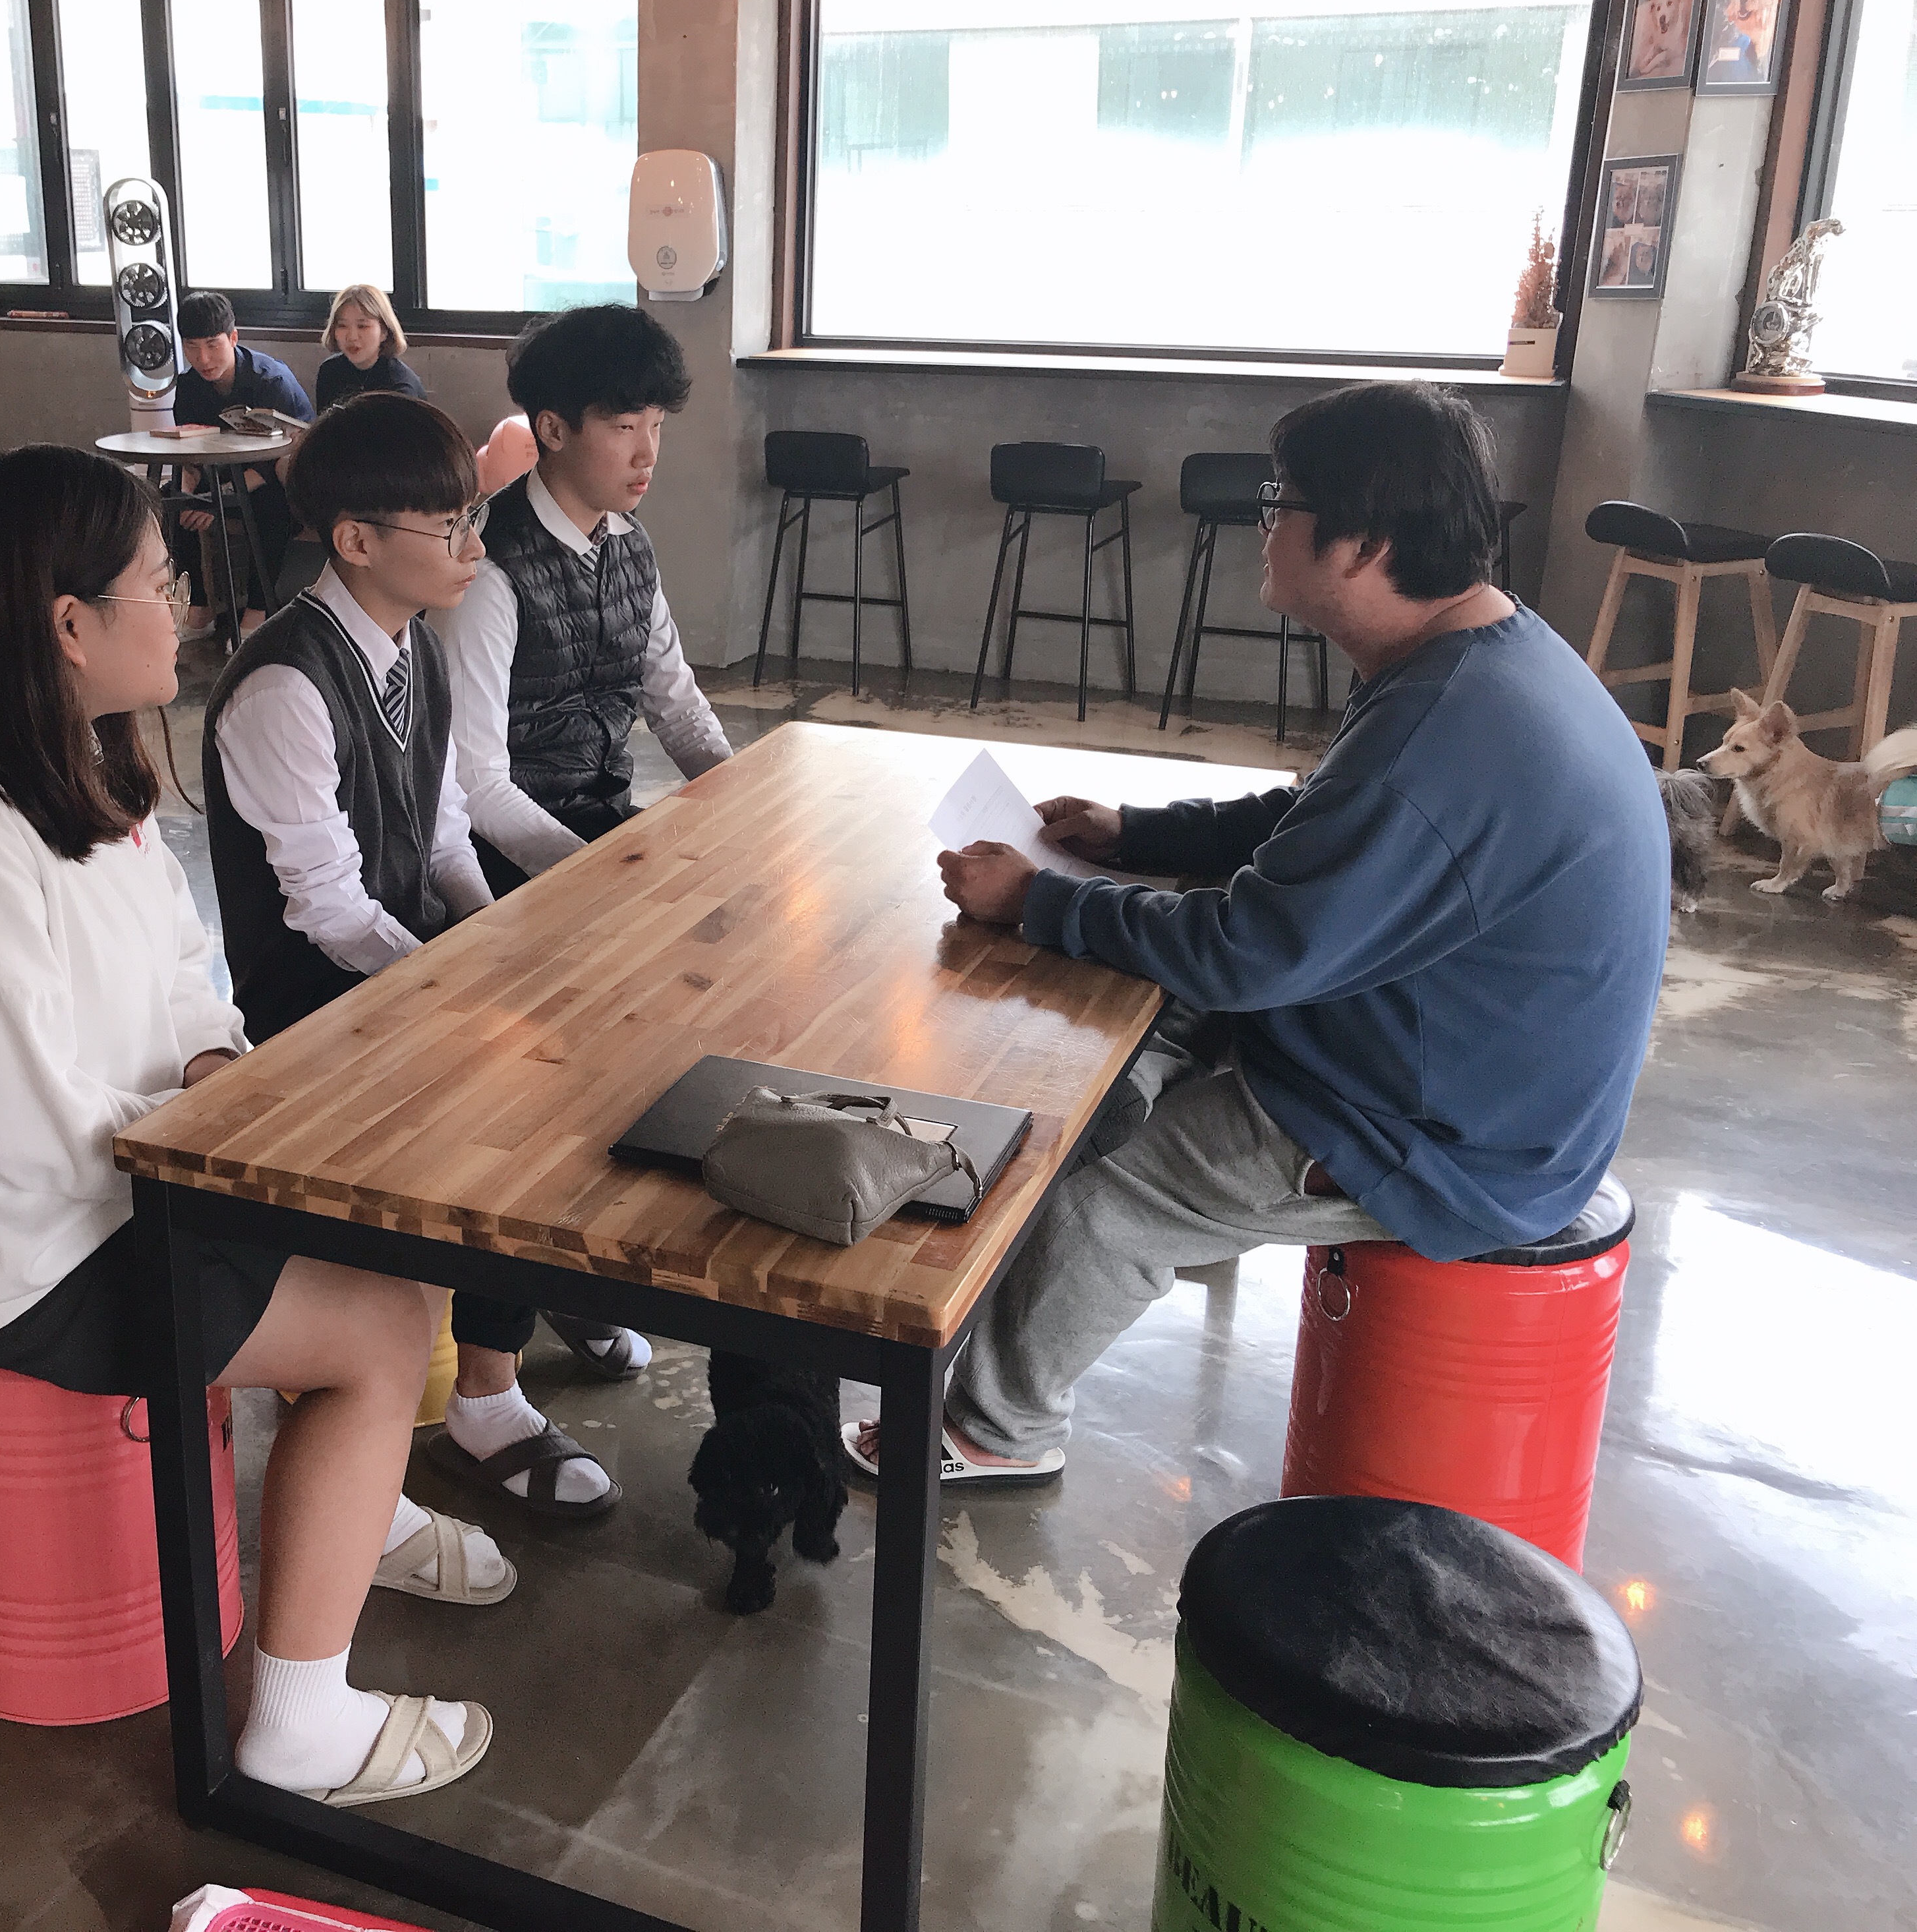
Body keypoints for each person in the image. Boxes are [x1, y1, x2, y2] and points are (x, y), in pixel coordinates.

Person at [0, 445, 494, 1808]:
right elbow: (8, 1126)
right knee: (382, 1326)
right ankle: (297, 1725)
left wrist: (220, 1067)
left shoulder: (60, 749)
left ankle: (359, 1507)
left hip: (102, 1174)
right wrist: (220, 1132)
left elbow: (176, 959)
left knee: (373, 1231)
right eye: (162, 584)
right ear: (69, 622)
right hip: (2, 1248)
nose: (187, 609)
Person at [851, 381, 1670, 1484]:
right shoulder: (1474, 657)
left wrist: (1036, 900)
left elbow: (1249, 949)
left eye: (1281, 503)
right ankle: (1100, 1132)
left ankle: (994, 1431)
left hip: (1445, 1138)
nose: (1263, 526)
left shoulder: (1442, 730)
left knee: (1105, 1200)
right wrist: (1137, 832)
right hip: (1449, 1054)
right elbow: (1316, 817)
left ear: (1365, 543)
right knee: (1124, 1028)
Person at [204, 393, 629, 1519]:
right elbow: (329, 910)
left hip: (394, 972)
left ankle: (524, 1293)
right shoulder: (285, 685)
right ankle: (487, 1393)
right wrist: (460, 990)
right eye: (447, 527)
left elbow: (444, 841)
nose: (473, 546)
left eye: (470, 518)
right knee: (521, 1103)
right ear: (355, 539)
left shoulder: (416, 652)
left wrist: (496, 944)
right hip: (313, 1006)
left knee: (569, 1032)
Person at [436, 303, 731, 896]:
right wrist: (598, 877)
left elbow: (678, 709)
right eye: (624, 428)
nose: (648, 453)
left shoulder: (629, 542)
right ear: (552, 430)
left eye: (656, 426)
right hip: (507, 863)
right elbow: (477, 785)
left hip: (602, 833)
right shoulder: (486, 569)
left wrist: (741, 801)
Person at [173, 290, 312, 633]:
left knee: (271, 505)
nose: (203, 358)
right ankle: (199, 606)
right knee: (171, 503)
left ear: (233, 338)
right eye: (192, 347)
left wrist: (216, 500)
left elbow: (274, 463)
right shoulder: (189, 387)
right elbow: (191, 456)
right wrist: (193, 495)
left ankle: (259, 609)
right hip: (223, 478)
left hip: (281, 480)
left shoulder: (270, 381)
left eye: (213, 345)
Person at [313, 283, 427, 415]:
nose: (352, 337)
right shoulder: (330, 371)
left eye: (362, 326)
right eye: (342, 326)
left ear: (384, 331)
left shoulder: (400, 387)